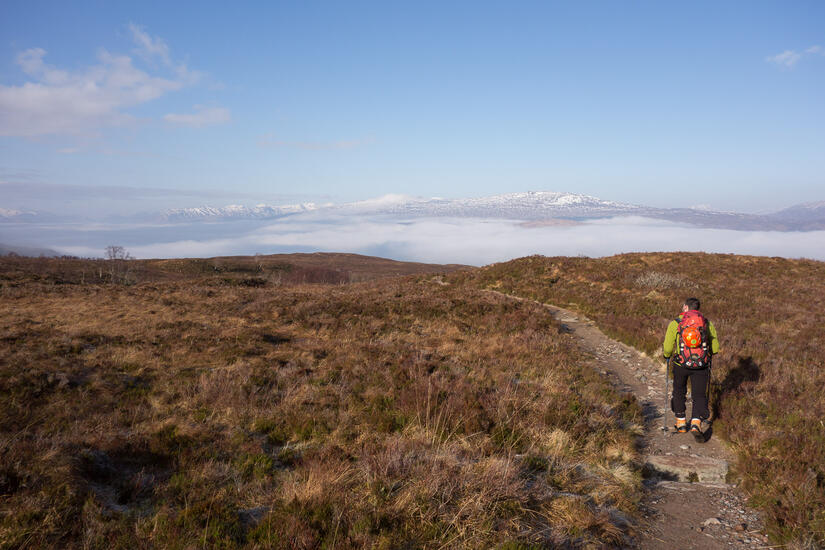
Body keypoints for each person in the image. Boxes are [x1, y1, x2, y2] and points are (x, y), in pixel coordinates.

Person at [662, 297, 720, 436]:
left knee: (679, 390)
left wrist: (666, 355)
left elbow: (668, 346)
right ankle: (695, 423)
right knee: (699, 394)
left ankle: (681, 422)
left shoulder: (676, 323)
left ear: (686, 307)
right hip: (701, 365)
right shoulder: (706, 323)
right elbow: (715, 348)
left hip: (680, 364)